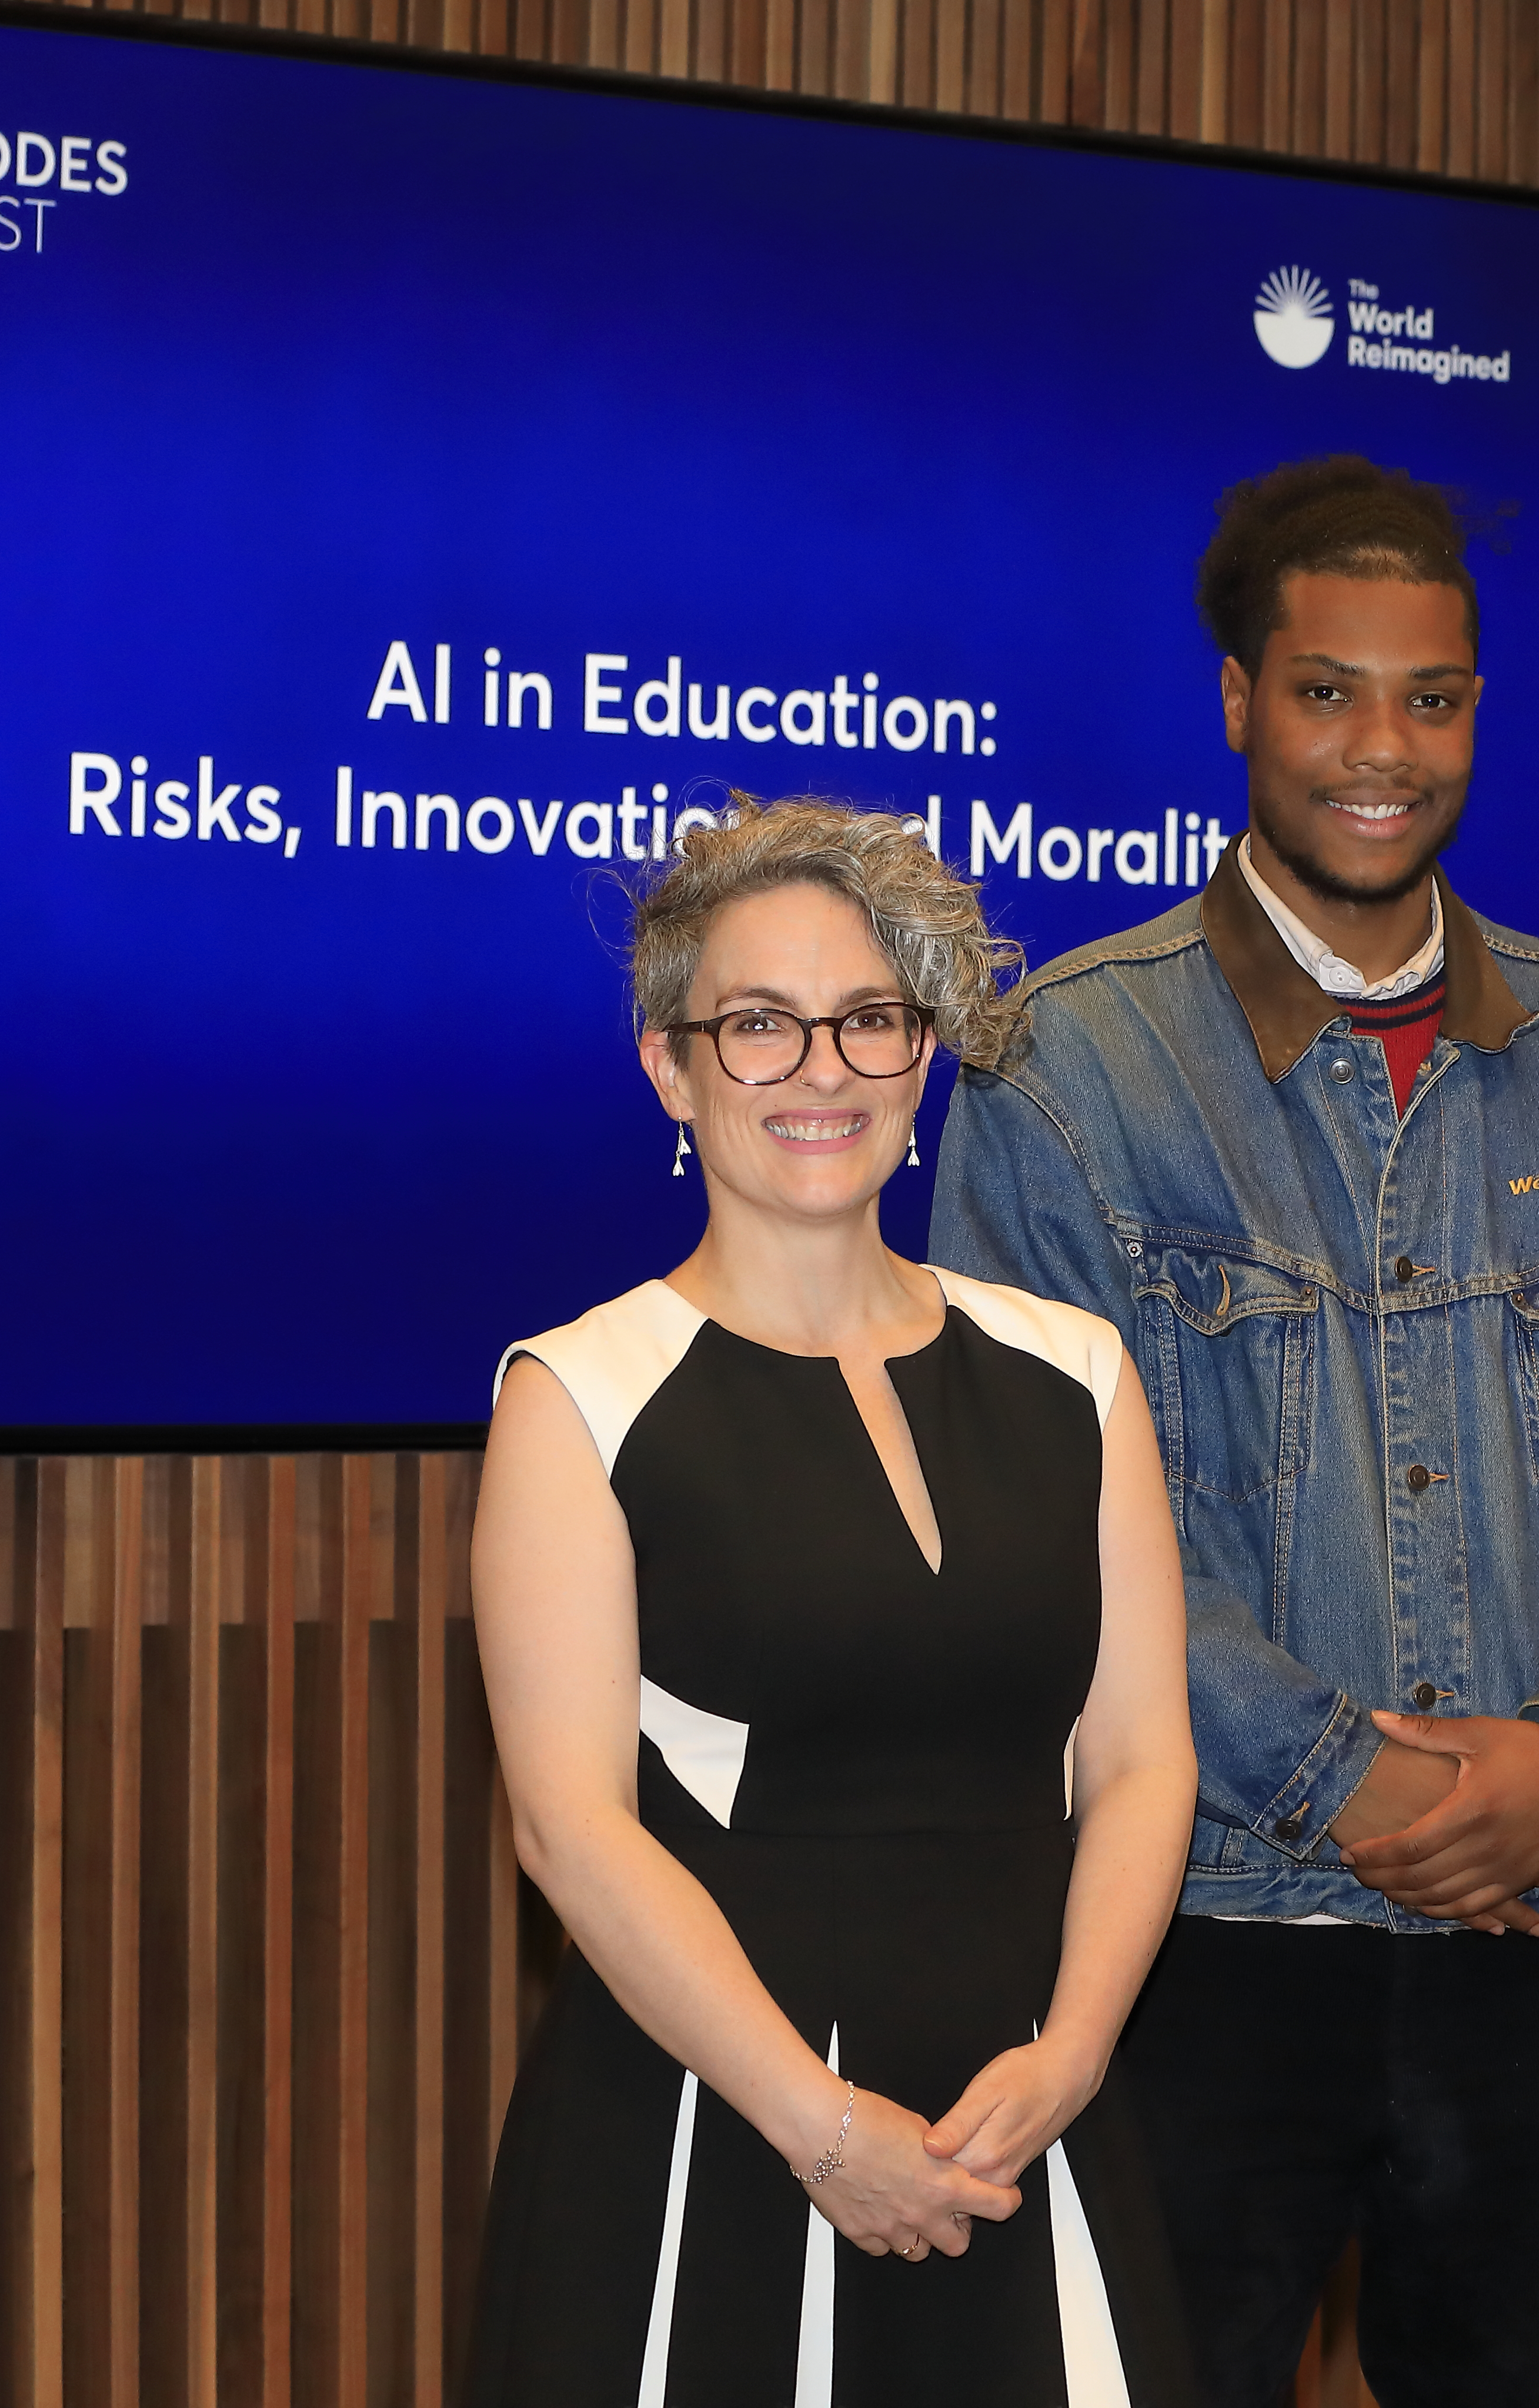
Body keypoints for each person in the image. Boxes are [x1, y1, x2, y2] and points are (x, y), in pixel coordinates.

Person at [930, 455, 1539, 2408]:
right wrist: (1358, 1781)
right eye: (1327, 690)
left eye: (1432, 695)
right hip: (1197, 1942)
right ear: (1238, 700)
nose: (1381, 748)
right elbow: (1060, 1515)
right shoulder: (1065, 1066)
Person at [462, 794, 1199, 2406]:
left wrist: (1072, 2058)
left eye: (870, 1021)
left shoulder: (1078, 1374)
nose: (822, 1072)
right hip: (714, 2134)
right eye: (760, 1028)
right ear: (671, 1064)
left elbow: (1143, 1758)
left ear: (923, 1054)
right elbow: (570, 1835)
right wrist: (824, 2127)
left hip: (1028, 2122)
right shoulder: (575, 1398)